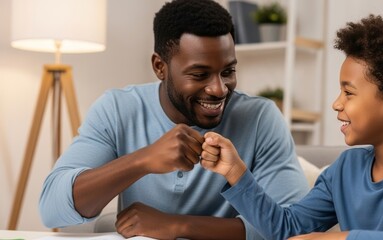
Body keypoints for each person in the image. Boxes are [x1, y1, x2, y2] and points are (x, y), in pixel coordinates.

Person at [39, 0, 309, 239]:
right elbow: (52, 209)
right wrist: (144, 160)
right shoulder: (117, 108)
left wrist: (177, 226)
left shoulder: (261, 118)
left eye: (228, 71)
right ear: (160, 67)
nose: (219, 89)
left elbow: (294, 227)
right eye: (200, 74)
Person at [201, 13, 383, 240]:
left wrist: (340, 238)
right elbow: (287, 229)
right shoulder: (345, 169)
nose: (336, 103)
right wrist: (235, 172)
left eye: (348, 92)